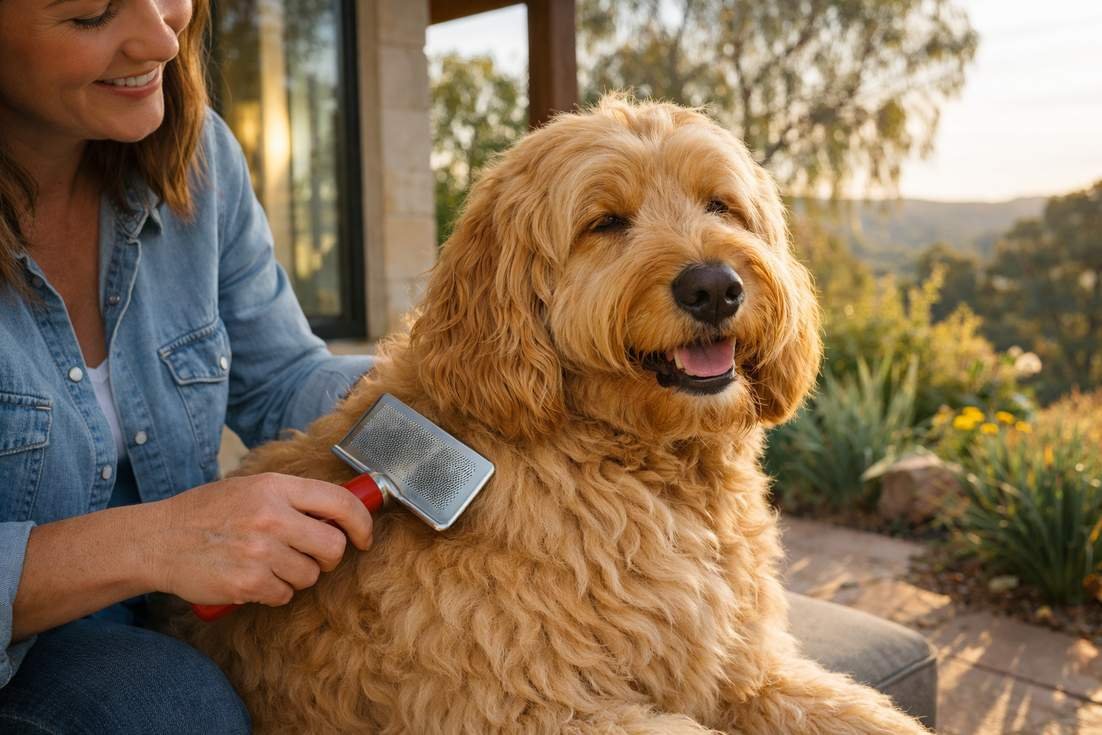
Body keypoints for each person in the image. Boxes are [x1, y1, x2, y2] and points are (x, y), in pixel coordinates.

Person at [0, 0, 378, 730]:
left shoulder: (200, 155)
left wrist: (437, 389)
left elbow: (284, 381)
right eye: (90, 16)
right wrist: (155, 542)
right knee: (165, 700)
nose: (160, 37)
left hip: (181, 622)